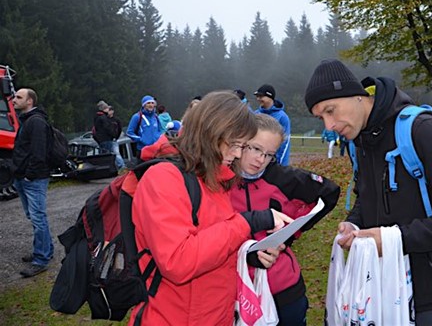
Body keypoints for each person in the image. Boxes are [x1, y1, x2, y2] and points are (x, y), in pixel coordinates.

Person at [305, 59, 432, 325]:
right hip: (389, 289)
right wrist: (355, 223)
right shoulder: (361, 140)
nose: (328, 125)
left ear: (358, 96)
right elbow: (367, 195)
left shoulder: (422, 130)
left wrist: (395, 239)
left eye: (331, 110)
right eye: (320, 117)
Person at [128, 91, 293, 325]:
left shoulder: (214, 180)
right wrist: (248, 222)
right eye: (234, 145)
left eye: (243, 146)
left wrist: (248, 256)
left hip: (216, 316)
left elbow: (212, 245)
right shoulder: (163, 178)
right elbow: (178, 261)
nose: (237, 154)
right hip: (173, 318)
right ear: (210, 133)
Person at [229, 114, 340, 325]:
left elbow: (330, 193)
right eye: (255, 148)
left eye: (269, 154)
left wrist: (289, 233)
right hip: (234, 292)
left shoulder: (283, 178)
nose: (261, 159)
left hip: (285, 289)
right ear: (240, 142)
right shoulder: (217, 181)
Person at [11, 88, 54, 278]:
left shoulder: (36, 122)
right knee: (35, 216)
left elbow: (39, 152)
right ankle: (46, 249)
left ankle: (41, 260)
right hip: (23, 177)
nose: (14, 100)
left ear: (30, 101)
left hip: (33, 178)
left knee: (38, 218)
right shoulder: (27, 120)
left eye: (19, 97)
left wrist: (29, 175)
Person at [254, 84, 291, 166]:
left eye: (261, 96)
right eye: (257, 96)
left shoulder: (282, 117)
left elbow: (285, 142)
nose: (258, 99)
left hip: (273, 162)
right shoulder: (255, 114)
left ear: (270, 97)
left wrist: (281, 165)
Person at [106, 105, 126, 171]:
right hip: (107, 139)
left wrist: (116, 137)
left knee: (116, 153)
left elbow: (120, 129)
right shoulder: (105, 119)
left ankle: (122, 166)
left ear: (112, 111)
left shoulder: (116, 120)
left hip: (114, 139)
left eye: (109, 110)